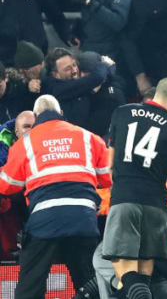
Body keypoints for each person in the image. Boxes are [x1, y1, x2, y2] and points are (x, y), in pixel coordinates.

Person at [0, 94, 112, 299]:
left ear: (35, 116)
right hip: (83, 220)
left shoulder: (25, 143)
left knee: (30, 285)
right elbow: (107, 179)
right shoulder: (89, 137)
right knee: (90, 284)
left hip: (44, 222)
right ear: (61, 113)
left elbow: (6, 186)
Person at [102, 78, 167, 299]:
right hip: (156, 206)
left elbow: (109, 165)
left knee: (126, 276)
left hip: (125, 199)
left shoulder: (122, 112)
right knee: (141, 279)